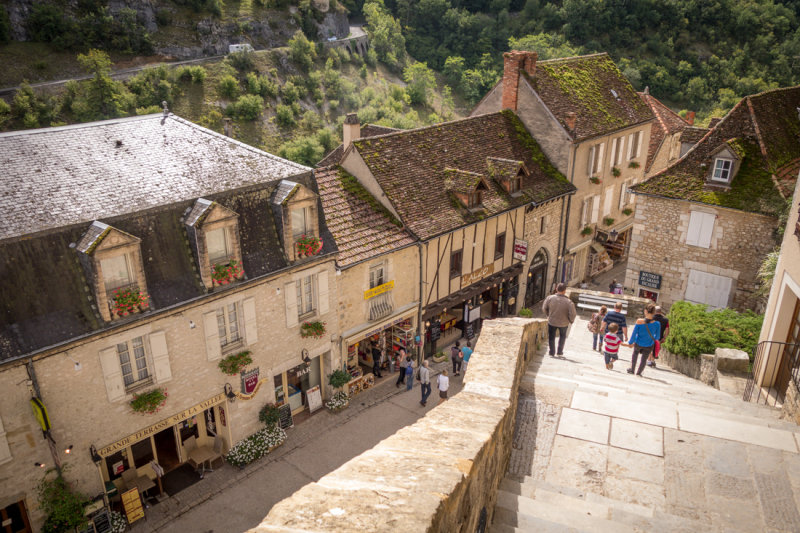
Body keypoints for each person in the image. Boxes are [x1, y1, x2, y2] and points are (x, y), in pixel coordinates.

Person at [624, 303, 661, 376]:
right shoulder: (657, 324)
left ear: (645, 311)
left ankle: (632, 369)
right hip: (649, 344)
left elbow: (634, 333)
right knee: (644, 359)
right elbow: (657, 337)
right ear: (654, 312)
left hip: (638, 343)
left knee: (635, 355)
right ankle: (639, 372)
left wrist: (630, 342)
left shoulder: (639, 321)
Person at [542, 283, 576, 357]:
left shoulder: (549, 298)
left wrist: (548, 315)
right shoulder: (569, 302)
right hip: (564, 323)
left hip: (552, 321)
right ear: (564, 291)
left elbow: (544, 308)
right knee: (562, 337)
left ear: (556, 289)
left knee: (551, 337)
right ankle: (559, 352)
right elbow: (573, 314)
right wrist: (571, 320)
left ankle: (552, 352)